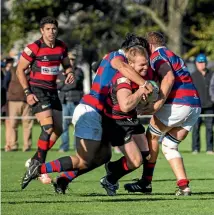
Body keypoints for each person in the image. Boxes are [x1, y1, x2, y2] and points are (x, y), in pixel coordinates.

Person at [20, 34, 153, 190]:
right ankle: (38, 168)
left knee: (103, 156)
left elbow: (96, 67)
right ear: (131, 51)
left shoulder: (112, 58)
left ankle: (63, 179)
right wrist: (145, 84)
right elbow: (121, 66)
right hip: (91, 110)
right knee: (83, 160)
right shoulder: (117, 57)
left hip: (100, 114)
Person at [124, 32, 201, 196]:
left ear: (150, 45)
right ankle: (184, 186)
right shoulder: (172, 54)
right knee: (169, 145)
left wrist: (158, 103)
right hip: (194, 105)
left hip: (178, 104)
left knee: (150, 136)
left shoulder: (158, 56)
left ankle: (146, 182)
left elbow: (169, 78)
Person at [17, 16, 74, 185]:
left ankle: (33, 160)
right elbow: (19, 70)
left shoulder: (61, 46)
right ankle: (38, 167)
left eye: (54, 29)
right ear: (42, 31)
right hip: (37, 90)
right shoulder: (34, 47)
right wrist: (27, 92)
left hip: (52, 91)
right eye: (48, 29)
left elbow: (67, 65)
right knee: (47, 127)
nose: (51, 32)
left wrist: (69, 72)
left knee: (58, 129)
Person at [100, 46, 150, 196]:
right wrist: (141, 91)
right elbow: (125, 105)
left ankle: (113, 168)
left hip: (130, 120)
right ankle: (110, 178)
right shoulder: (123, 79)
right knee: (135, 161)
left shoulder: (137, 78)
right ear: (131, 64)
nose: (146, 67)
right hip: (117, 123)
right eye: (142, 64)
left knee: (146, 153)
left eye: (146, 63)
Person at [57, 51, 84, 152]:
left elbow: (73, 84)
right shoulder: (59, 73)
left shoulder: (78, 71)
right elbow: (57, 86)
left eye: (72, 59)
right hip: (64, 102)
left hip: (76, 102)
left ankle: (77, 147)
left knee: (77, 126)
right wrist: (65, 82)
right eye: (69, 59)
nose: (71, 61)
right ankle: (64, 146)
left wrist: (62, 83)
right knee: (64, 126)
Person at [5, 65, 34, 152]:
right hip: (14, 101)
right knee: (13, 124)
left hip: (27, 101)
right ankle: (13, 145)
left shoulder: (32, 71)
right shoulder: (13, 70)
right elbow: (5, 83)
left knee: (28, 124)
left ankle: (27, 146)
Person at [191, 54, 214, 154]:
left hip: (210, 106)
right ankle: (195, 148)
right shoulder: (192, 76)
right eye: (199, 62)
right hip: (196, 106)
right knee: (196, 128)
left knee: (209, 128)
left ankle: (209, 149)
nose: (201, 64)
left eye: (203, 62)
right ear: (196, 63)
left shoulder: (212, 74)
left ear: (206, 63)